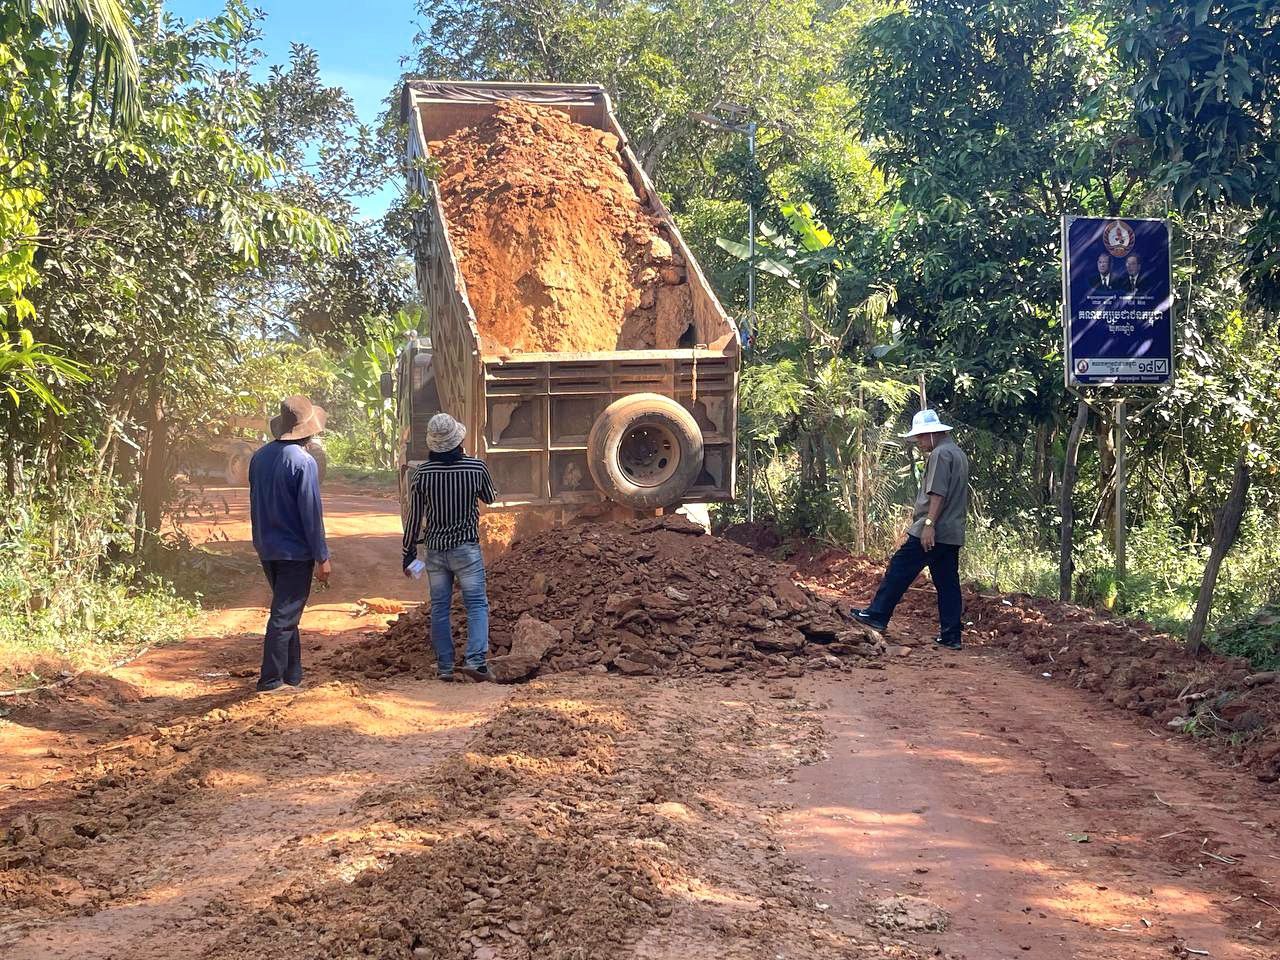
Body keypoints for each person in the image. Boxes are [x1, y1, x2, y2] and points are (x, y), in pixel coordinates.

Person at [852, 409, 970, 650]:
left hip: (932, 529)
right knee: (947, 583)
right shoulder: (958, 454)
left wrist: (928, 525)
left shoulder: (939, 454)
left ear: (931, 434)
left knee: (899, 568)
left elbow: (938, 493)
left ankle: (877, 614)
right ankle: (951, 635)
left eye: (920, 438)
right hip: (952, 532)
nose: (919, 443)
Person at [401, 412, 497, 681]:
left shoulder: (422, 474)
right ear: (459, 440)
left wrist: (408, 552)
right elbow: (490, 497)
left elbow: (414, 518)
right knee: (476, 603)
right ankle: (476, 661)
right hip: (466, 550)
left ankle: (444, 666)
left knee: (440, 607)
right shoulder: (475, 468)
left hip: (435, 552)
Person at [248, 395, 331, 693]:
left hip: (267, 546)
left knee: (288, 613)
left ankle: (291, 675)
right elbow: (311, 513)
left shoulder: (259, 457)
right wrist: (322, 556)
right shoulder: (303, 462)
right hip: (295, 551)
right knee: (284, 616)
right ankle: (271, 679)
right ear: (308, 431)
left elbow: (256, 502)